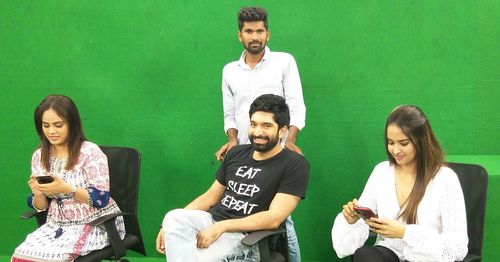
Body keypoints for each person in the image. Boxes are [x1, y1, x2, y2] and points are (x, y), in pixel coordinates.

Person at [157, 94, 310, 261]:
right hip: (212, 221)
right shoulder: (237, 153)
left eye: (266, 126)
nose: (258, 132)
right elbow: (210, 197)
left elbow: (274, 218)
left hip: (246, 237)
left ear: (282, 131)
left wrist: (223, 227)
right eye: (253, 124)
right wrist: (167, 227)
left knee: (199, 258)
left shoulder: (295, 164)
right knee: (173, 217)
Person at [214, 7, 307, 261]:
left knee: (281, 221)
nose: (255, 36)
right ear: (239, 35)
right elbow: (230, 113)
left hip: (275, 154)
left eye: (259, 31)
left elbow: (296, 106)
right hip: (243, 155)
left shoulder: (284, 62)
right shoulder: (229, 71)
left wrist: (289, 141)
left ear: (268, 33)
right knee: (234, 211)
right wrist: (232, 140)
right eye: (249, 31)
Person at [331, 105, 468, 261]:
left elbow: (457, 247)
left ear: (421, 141)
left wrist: (405, 233)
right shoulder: (382, 172)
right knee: (365, 256)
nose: (395, 150)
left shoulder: (445, 179)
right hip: (390, 253)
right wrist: (351, 220)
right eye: (390, 142)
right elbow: (364, 218)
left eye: (403, 143)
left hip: (427, 257)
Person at [12, 95, 125, 261]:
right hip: (56, 225)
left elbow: (101, 199)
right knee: (20, 256)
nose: (51, 131)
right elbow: (41, 207)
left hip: (95, 223)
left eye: (58, 125)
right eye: (46, 125)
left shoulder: (90, 152)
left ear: (72, 124)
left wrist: (67, 189)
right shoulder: (39, 156)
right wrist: (38, 194)